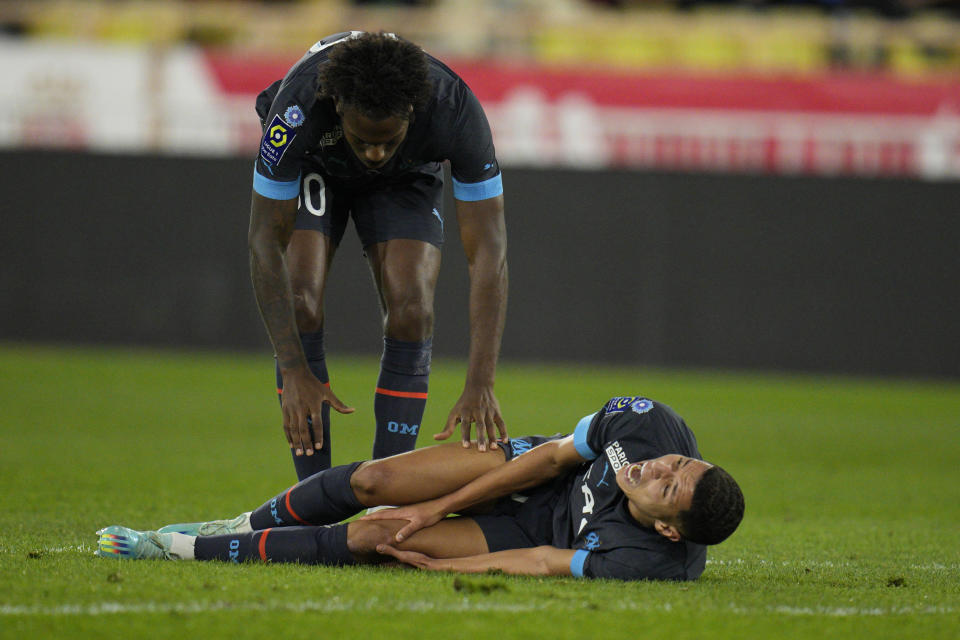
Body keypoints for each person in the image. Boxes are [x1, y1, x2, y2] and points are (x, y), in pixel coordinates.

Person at [95, 395, 745, 581]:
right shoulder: (649, 425)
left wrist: (438, 561)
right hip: (523, 470)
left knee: (379, 537)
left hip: (528, 530)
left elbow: (546, 560)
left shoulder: (648, 562)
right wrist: (438, 503)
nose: (656, 469)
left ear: (666, 527)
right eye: (676, 465)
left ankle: (177, 550)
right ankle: (239, 525)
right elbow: (550, 459)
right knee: (376, 480)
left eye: (666, 487)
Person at [247, 31, 508, 481]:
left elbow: (488, 252)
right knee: (302, 302)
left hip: (406, 177)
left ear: (412, 112)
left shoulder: (454, 110)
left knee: (413, 309)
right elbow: (263, 241)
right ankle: (313, 498)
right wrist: (293, 370)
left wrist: (480, 382)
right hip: (318, 162)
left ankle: (385, 493)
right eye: (364, 139)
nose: (374, 153)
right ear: (339, 108)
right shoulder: (296, 111)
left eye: (387, 140)